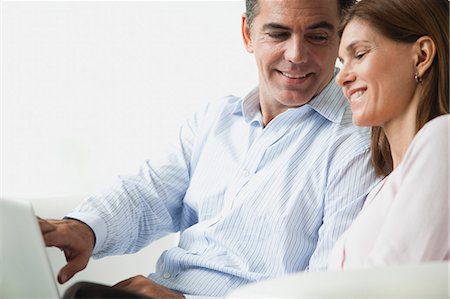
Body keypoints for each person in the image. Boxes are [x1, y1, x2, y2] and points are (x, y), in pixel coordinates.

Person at [40, 0, 380, 298]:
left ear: (341, 37)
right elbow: (148, 193)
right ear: (248, 34)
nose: (296, 55)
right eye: (277, 34)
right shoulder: (216, 120)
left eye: (317, 36)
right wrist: (84, 228)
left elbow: (327, 289)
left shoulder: (356, 142)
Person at [328, 0, 449, 270]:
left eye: (359, 55)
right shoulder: (381, 190)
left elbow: (390, 282)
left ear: (421, 56)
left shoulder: (443, 138)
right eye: (341, 62)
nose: (342, 77)